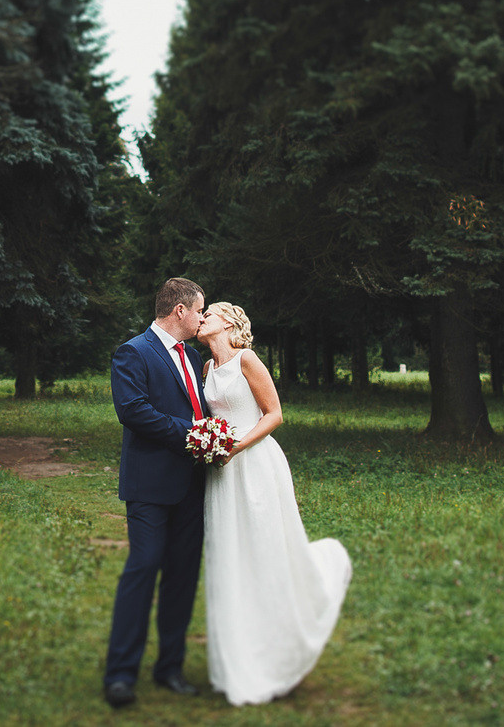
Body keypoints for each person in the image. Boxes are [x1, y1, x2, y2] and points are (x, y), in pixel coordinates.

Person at [196, 300, 352, 706]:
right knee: (231, 556)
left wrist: (234, 445)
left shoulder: (247, 360)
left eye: (208, 313)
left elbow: (274, 414)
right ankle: (241, 653)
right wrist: (211, 444)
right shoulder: (207, 369)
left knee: (264, 550)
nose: (202, 318)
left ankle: (281, 650)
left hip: (255, 464)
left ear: (227, 322)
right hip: (222, 473)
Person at [102, 277, 211, 708]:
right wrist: (192, 435)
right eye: (199, 310)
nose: (202, 318)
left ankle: (170, 668)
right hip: (149, 486)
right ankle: (120, 676)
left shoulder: (194, 354)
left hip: (192, 486)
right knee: (143, 569)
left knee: (182, 578)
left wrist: (212, 437)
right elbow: (133, 411)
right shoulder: (134, 351)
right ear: (180, 311)